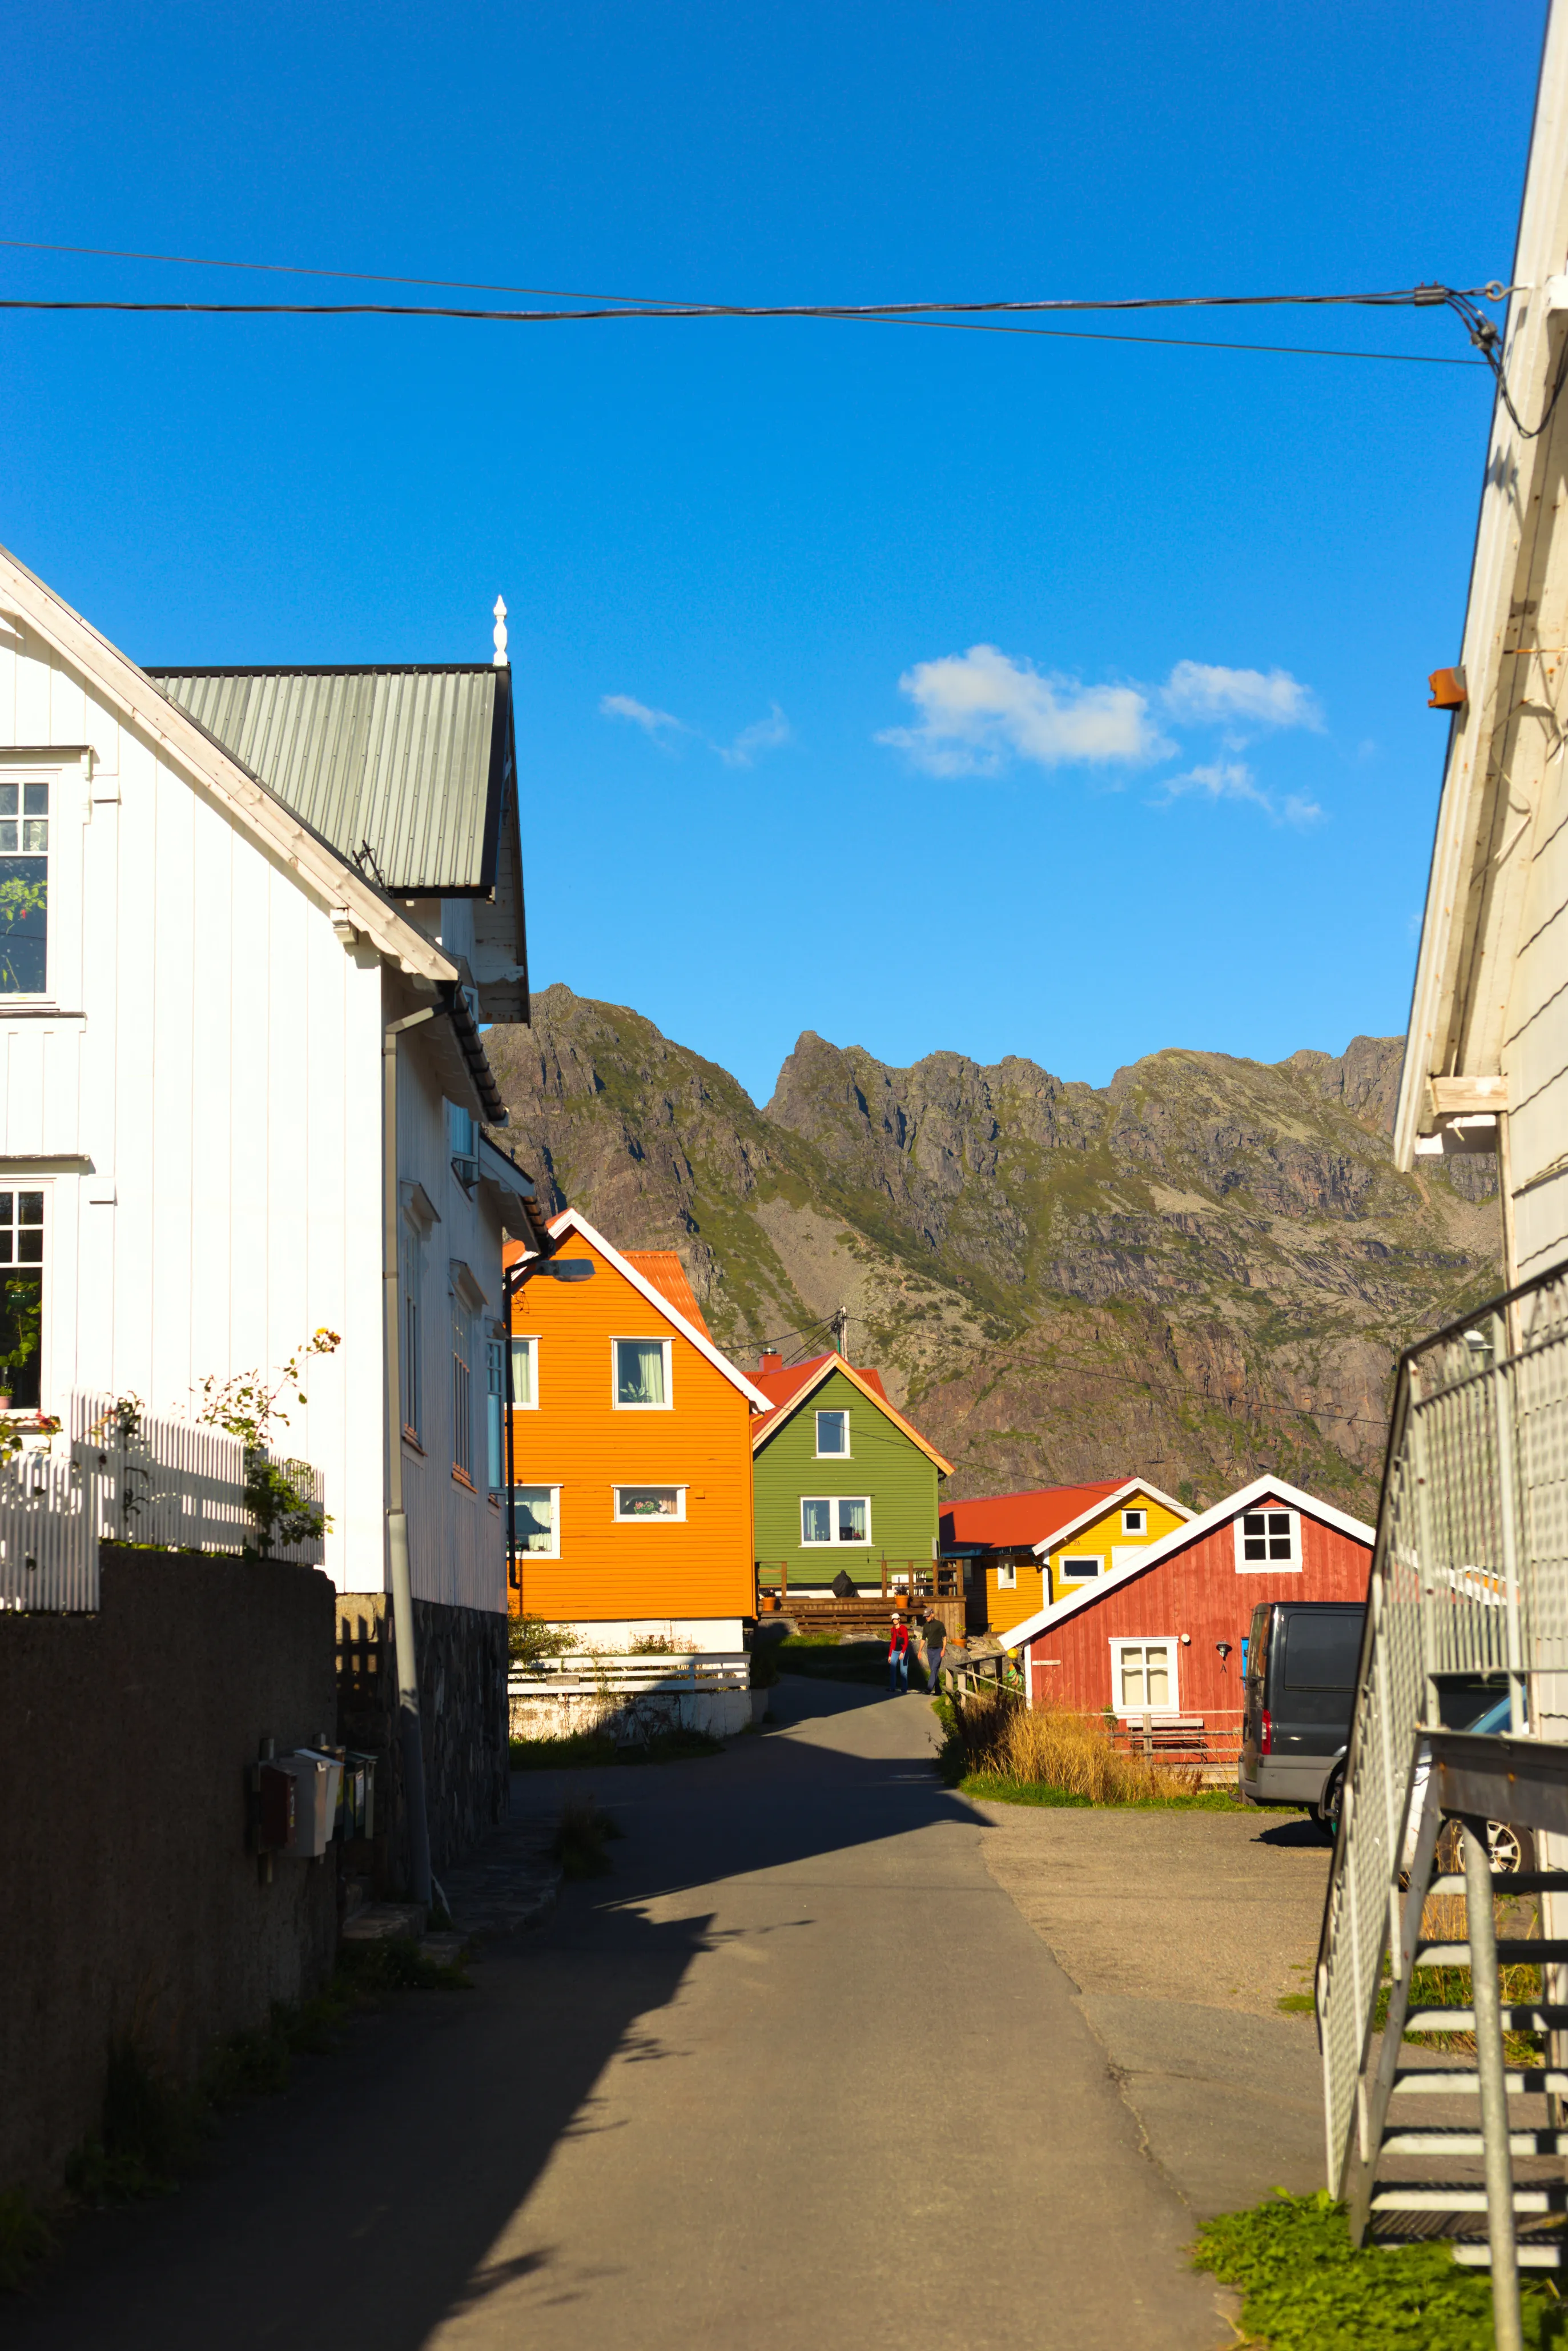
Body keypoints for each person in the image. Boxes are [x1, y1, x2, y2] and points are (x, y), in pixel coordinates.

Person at [924, 1613, 946, 1698]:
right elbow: (923, 1639)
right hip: (930, 1650)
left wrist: (944, 1649)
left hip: (939, 1650)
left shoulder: (940, 1624)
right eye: (925, 1616)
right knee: (934, 1670)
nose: (927, 1617)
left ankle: (929, 1689)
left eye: (928, 1616)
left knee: (934, 1669)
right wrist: (919, 1651)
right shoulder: (926, 1626)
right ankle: (938, 1690)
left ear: (932, 1615)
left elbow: (945, 1637)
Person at [887, 1613, 910, 1696]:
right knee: (892, 1669)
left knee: (903, 1671)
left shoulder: (903, 1628)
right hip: (895, 1652)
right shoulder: (892, 1630)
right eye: (893, 1619)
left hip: (903, 1651)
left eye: (896, 1619)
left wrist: (903, 1652)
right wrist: (890, 1655)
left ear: (899, 1619)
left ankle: (904, 1689)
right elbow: (892, 1643)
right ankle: (893, 1687)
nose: (895, 1620)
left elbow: (906, 1642)